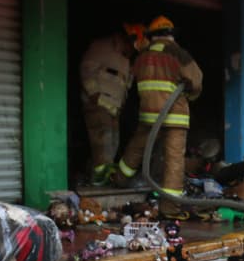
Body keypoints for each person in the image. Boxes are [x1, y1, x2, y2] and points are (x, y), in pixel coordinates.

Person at [113, 15, 203, 218]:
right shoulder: (178, 53)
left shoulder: (142, 56)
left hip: (148, 115)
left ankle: (119, 179)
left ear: (151, 35)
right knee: (174, 162)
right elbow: (196, 80)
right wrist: (189, 95)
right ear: (171, 35)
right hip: (174, 117)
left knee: (136, 149)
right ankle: (170, 208)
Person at [79, 23, 146, 186]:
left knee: (113, 143)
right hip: (98, 103)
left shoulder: (126, 59)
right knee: (103, 142)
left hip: (114, 106)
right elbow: (86, 69)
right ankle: (99, 182)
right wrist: (94, 93)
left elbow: (125, 85)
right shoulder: (101, 47)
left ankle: (100, 178)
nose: (132, 51)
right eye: (133, 47)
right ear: (127, 39)